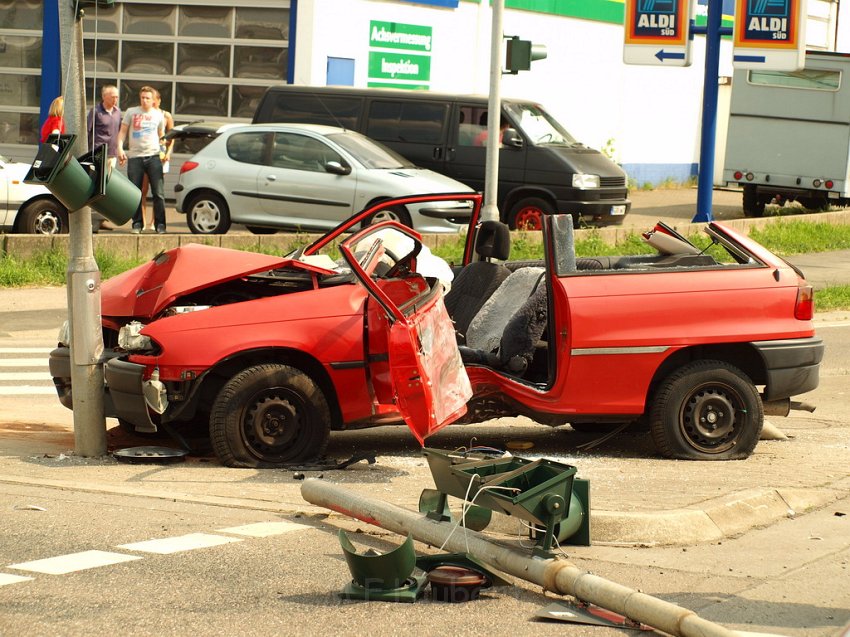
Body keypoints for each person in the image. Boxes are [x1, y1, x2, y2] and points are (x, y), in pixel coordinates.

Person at [117, 86, 167, 234]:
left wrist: (163, 153)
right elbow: (122, 132)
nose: (145, 100)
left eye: (148, 98)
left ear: (153, 100)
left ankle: (160, 225)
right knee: (135, 193)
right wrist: (120, 149)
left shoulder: (158, 115)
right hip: (135, 157)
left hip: (153, 156)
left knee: (158, 192)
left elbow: (161, 136)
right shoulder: (131, 112)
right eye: (142, 97)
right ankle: (137, 224)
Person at [140, 90, 174, 230]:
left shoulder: (165, 115)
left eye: (154, 99)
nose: (151, 102)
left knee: (157, 190)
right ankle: (141, 221)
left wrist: (169, 153)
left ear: (158, 100)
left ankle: (154, 221)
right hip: (145, 154)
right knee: (143, 189)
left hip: (161, 155)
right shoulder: (144, 114)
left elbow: (172, 137)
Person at [86, 85, 121, 168]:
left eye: (117, 97)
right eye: (112, 97)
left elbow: (120, 132)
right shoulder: (95, 111)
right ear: (104, 97)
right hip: (98, 153)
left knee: (108, 179)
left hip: (112, 153)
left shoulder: (118, 112)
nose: (115, 100)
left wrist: (119, 149)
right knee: (97, 179)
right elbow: (87, 131)